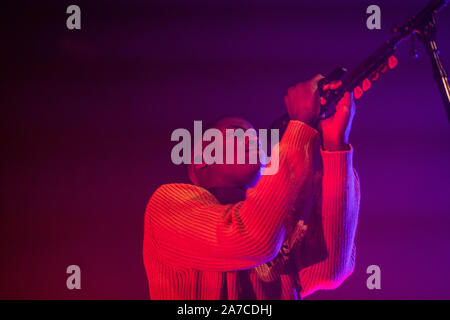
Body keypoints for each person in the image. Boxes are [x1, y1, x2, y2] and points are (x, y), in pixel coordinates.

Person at [143, 74, 360, 299]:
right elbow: (254, 237)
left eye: (254, 134)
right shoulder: (168, 203)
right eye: (238, 132)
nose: (254, 138)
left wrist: (336, 146)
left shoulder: (278, 226)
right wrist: (301, 124)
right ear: (201, 157)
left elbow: (330, 267)